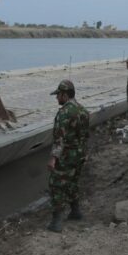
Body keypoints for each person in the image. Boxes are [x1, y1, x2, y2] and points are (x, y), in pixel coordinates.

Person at [46, 79, 90, 233]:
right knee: (72, 182)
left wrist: (53, 158)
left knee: (57, 185)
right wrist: (84, 153)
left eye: (58, 95)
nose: (57, 98)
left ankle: (56, 222)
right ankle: (75, 211)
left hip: (66, 156)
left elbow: (59, 139)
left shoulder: (64, 113)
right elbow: (85, 136)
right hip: (79, 154)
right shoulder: (83, 110)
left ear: (65, 95)